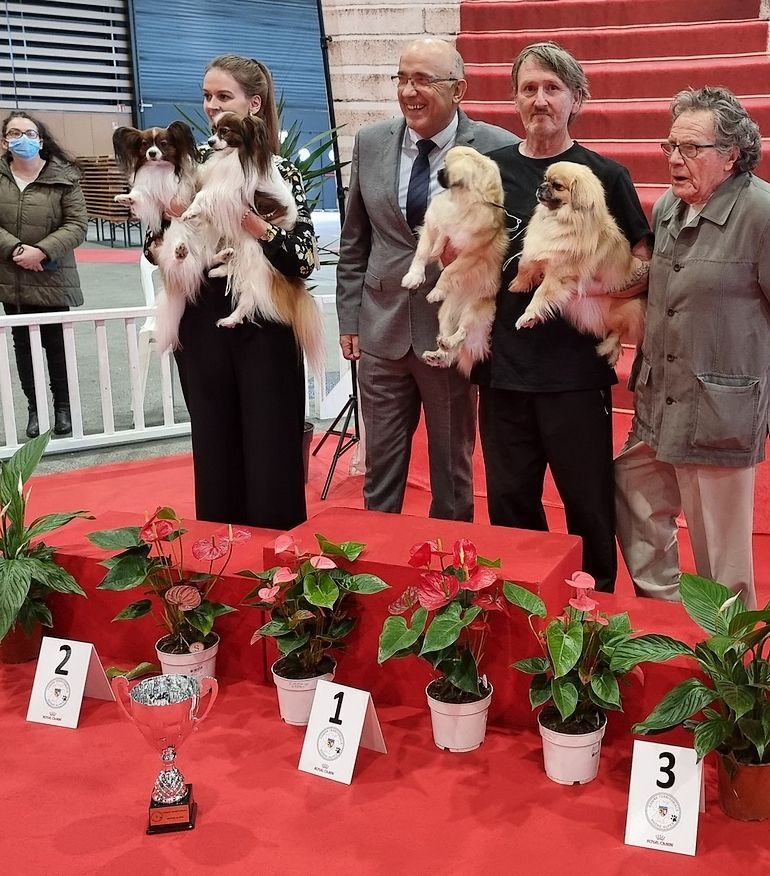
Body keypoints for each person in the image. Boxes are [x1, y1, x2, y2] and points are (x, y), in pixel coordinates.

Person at [477, 42, 653, 592]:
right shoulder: (491, 172)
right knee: (510, 505)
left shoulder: (606, 175)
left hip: (575, 376)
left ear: (577, 98)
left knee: (588, 506)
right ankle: (522, 608)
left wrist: (589, 285)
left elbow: (645, 264)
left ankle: (594, 615)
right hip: (504, 371)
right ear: (514, 98)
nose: (540, 100)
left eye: (552, 88)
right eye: (528, 88)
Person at [336, 37, 516, 521]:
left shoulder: (497, 147)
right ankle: (375, 553)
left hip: (450, 332)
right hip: (380, 328)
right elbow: (355, 240)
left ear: (458, 89)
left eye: (423, 80)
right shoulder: (371, 142)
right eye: (402, 78)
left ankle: (451, 562)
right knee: (379, 470)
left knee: (453, 471)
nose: (408, 91)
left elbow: (510, 241)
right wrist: (349, 318)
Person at [146, 54, 317, 530]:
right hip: (201, 320)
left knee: (272, 448)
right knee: (214, 446)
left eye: (223, 96)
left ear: (254, 105)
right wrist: (170, 232)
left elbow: (303, 257)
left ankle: (277, 559)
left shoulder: (279, 171)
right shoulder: (188, 167)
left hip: (265, 320)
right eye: (207, 96)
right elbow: (154, 245)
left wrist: (251, 222)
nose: (212, 106)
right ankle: (217, 556)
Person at [615, 87, 769, 611]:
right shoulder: (667, 209)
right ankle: (665, 618)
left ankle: (729, 651)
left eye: (690, 148)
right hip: (659, 399)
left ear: (731, 155)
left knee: (721, 559)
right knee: (633, 490)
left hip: (720, 410)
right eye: (670, 146)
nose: (675, 159)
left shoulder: (761, 214)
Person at [0, 111, 87, 439]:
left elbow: (77, 225)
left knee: (56, 345)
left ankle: (63, 408)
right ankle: (35, 409)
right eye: (14, 133)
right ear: (4, 141)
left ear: (40, 140)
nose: (22, 138)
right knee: (23, 346)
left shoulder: (65, 177)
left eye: (29, 133)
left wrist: (41, 252)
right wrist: (16, 250)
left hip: (53, 276)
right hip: (12, 277)